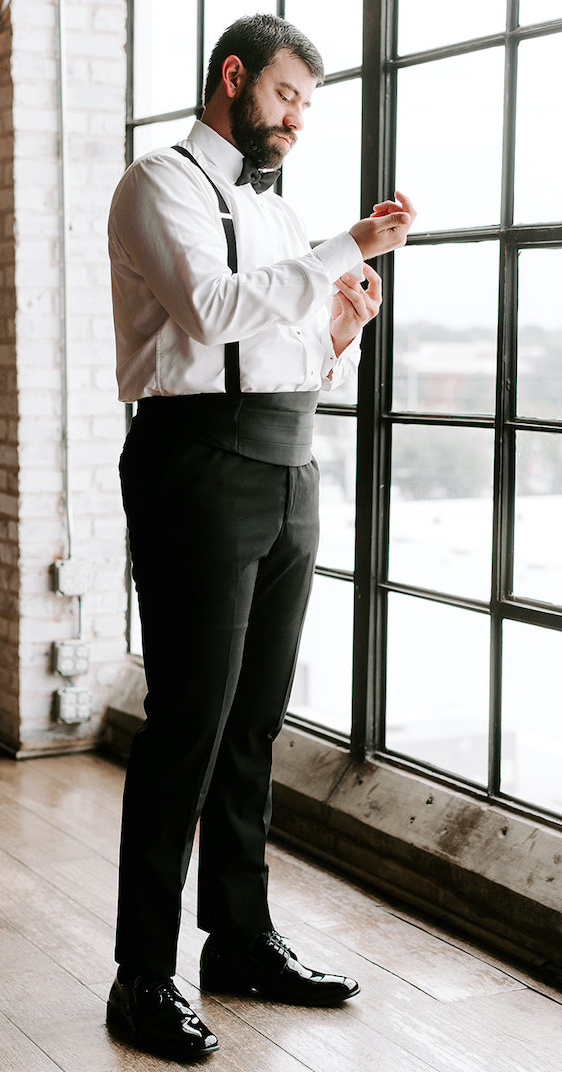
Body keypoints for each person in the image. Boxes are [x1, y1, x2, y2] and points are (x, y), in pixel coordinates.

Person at [106, 13, 415, 1061]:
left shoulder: (282, 215)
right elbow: (207, 312)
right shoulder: (156, 183)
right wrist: (348, 245)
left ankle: (237, 939)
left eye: (307, 107)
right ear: (233, 77)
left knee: (255, 723)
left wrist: (342, 330)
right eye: (288, 98)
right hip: (195, 465)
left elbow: (291, 352)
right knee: (188, 722)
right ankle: (141, 975)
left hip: (292, 463)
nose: (297, 121)